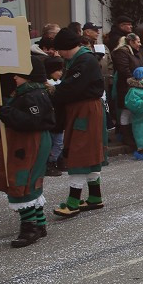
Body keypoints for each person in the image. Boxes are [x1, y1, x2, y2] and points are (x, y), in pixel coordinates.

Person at [0, 56, 55, 247]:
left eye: (19, 74)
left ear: (29, 76)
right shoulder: (30, 92)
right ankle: (40, 224)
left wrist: (5, 113)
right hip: (30, 141)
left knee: (23, 181)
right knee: (31, 181)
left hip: (30, 142)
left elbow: (31, 120)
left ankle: (30, 228)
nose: (14, 77)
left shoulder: (32, 95)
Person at [49, 28, 107, 217]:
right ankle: (95, 197)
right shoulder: (81, 59)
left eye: (59, 49)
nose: (58, 53)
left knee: (79, 152)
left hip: (84, 110)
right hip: (86, 109)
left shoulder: (84, 60)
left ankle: (73, 202)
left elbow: (70, 88)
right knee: (89, 152)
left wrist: (53, 91)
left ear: (65, 47)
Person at [111, 32, 143, 151]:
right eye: (138, 41)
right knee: (126, 110)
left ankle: (131, 135)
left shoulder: (134, 53)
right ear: (131, 42)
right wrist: (134, 81)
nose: (140, 44)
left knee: (131, 111)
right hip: (126, 86)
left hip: (135, 85)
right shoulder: (122, 53)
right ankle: (126, 136)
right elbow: (124, 69)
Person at [43, 55, 66, 175]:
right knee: (56, 143)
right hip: (54, 120)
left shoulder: (60, 83)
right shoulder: (47, 86)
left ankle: (57, 160)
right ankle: (50, 162)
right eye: (58, 70)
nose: (61, 73)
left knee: (59, 142)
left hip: (60, 119)